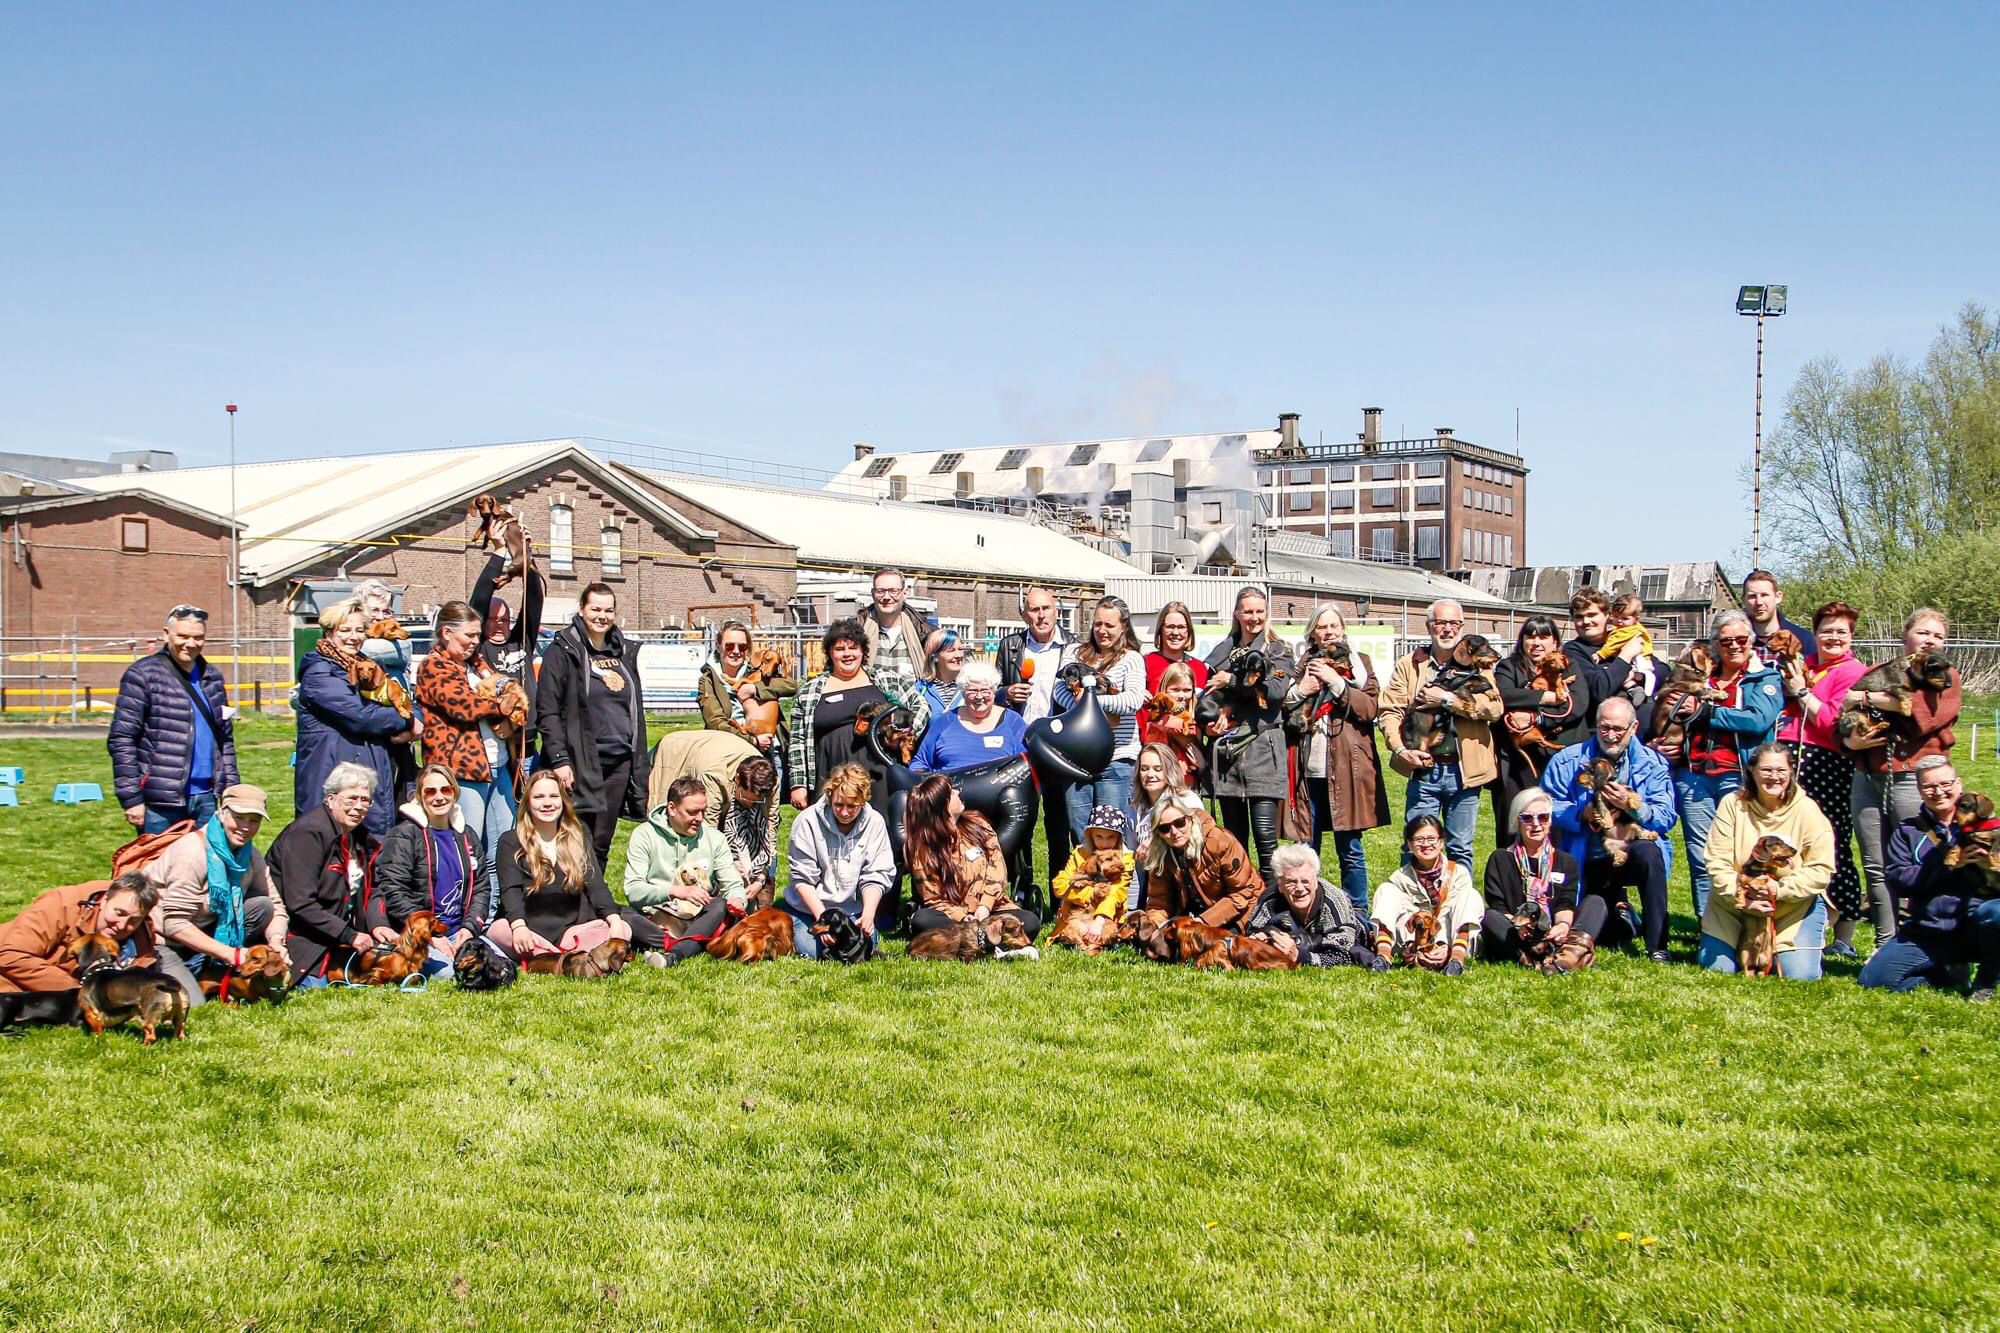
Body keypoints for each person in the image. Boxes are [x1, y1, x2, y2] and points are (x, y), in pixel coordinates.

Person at [1656, 609, 1784, 922]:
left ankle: (1744, 920)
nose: (1734, 645)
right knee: (1701, 857)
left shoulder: (1764, 678)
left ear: (1751, 641)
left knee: (1741, 852)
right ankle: (1709, 925)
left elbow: (1757, 720)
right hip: (1694, 775)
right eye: (1726, 641)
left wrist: (1707, 714)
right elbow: (1668, 712)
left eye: (1741, 639)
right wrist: (1663, 741)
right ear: (1716, 644)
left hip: (1738, 776)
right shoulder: (1700, 678)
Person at [1850, 607, 1961, 942]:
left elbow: (1922, 716)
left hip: (1915, 777)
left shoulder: (1945, 675)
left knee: (1921, 859)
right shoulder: (1879, 671)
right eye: (1923, 632)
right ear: (1905, 635)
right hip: (1868, 776)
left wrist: (1865, 697)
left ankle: (1927, 939)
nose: (1930, 640)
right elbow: (1844, 712)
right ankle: (1885, 942)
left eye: (1938, 635)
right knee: (1876, 865)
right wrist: (1850, 741)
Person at [1540, 697, 1679, 961]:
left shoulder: (1653, 763)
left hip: (1631, 849)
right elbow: (1544, 804)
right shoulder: (1567, 760)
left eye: (1618, 729)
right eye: (1604, 727)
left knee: (1650, 853)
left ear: (1634, 728)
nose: (1611, 735)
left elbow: (1666, 816)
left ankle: (1658, 946)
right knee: (1605, 933)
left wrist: (1633, 807)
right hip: (1585, 855)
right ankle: (1623, 915)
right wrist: (1579, 814)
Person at [1775, 601, 1872, 958]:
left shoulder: (1853, 672)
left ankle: (1844, 933)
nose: (1833, 637)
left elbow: (1832, 722)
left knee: (1832, 842)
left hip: (1826, 762)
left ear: (1851, 636)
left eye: (1841, 632)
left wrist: (1802, 692)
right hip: (1789, 757)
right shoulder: (1807, 664)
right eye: (1826, 631)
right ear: (1814, 634)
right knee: (1792, 841)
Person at [535, 583, 653, 874]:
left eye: (608, 610)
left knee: (601, 841)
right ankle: (570, 895)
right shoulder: (562, 651)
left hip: (619, 761)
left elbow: (633, 707)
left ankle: (594, 897)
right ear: (581, 610)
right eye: (595, 609)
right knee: (576, 838)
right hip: (580, 760)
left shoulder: (623, 652)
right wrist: (560, 759)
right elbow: (548, 711)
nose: (602, 616)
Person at [1858, 758, 1999, 1000]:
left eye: (1945, 784)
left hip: (1975, 925)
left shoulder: (1989, 829)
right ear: (1919, 790)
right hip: (1928, 929)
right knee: (1874, 981)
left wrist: (1992, 865)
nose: (1939, 792)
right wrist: (1948, 866)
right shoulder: (1908, 831)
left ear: (1958, 783)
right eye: (1929, 786)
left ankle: (1985, 982)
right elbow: (1898, 881)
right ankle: (1944, 974)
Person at [1376, 598, 1500, 870]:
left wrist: (1447, 700)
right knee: (1415, 844)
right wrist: (1401, 750)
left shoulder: (1479, 665)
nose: (1447, 629)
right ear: (1428, 626)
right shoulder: (1410, 664)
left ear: (1462, 627)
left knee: (1460, 847)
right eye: (1441, 622)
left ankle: (1459, 899)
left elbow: (1494, 708)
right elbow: (1389, 710)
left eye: (1454, 623)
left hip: (1465, 771)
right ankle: (1413, 897)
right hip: (1424, 769)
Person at [416, 599, 523, 914]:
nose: (476, 641)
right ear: (447, 633)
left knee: (503, 845)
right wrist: (501, 707)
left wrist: (510, 715)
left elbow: (509, 690)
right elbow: (463, 705)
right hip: (461, 770)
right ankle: (463, 915)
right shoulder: (433, 666)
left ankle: (494, 914)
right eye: (470, 635)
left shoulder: (477, 664)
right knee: (469, 847)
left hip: (498, 765)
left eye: (478, 635)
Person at [143, 784, 290, 1005]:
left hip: (206, 931)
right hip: (165, 941)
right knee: (192, 1003)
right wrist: (230, 954)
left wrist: (277, 941)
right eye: (239, 818)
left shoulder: (249, 855)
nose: (245, 827)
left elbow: (275, 904)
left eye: (254, 820)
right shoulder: (191, 853)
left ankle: (209, 966)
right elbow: (174, 924)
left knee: (262, 905)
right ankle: (197, 969)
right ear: (221, 814)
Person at [1698, 742, 1834, 980]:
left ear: (1791, 771)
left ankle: (1782, 950)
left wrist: (1779, 890)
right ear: (1752, 771)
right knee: (1719, 970)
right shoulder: (1732, 804)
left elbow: (1821, 869)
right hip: (1734, 908)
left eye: (1781, 770)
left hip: (1792, 909)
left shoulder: (1807, 810)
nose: (1774, 777)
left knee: (1800, 976)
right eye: (1766, 770)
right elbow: (1716, 862)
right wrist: (1743, 898)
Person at [1284, 604, 1388, 915]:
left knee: (1350, 848)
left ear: (1343, 629)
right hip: (1307, 771)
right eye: (1322, 626)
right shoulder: (1302, 665)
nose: (1328, 632)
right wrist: (1301, 689)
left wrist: (1336, 682)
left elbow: (1369, 709)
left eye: (1333, 626)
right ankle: (1308, 911)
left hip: (1346, 770)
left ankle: (1357, 915)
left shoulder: (1360, 663)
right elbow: (1283, 707)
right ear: (1312, 633)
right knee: (1306, 849)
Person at [108, 604, 240, 834]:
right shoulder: (143, 675)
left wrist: (231, 787)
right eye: (183, 636)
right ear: (166, 634)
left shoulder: (212, 677)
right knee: (159, 858)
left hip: (207, 798)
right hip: (160, 801)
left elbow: (224, 739)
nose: (191, 644)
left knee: (206, 857)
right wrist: (131, 797)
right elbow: (122, 739)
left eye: (198, 637)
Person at [1198, 586, 1298, 887]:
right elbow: (1208, 693)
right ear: (1237, 614)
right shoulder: (1222, 651)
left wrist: (1231, 680)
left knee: (1266, 839)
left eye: (1259, 611)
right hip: (1228, 756)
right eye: (1248, 611)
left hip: (1263, 752)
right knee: (1234, 843)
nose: (1254, 617)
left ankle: (1272, 902)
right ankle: (1242, 900)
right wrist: (1209, 723)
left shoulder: (1278, 650)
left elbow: (1275, 691)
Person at [786, 617, 931, 820]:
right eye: (840, 649)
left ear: (863, 651)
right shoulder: (810, 691)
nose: (847, 654)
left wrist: (903, 733)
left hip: (879, 775)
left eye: (853, 648)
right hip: (830, 774)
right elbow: (797, 741)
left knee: (881, 829)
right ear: (830, 653)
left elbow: (921, 706)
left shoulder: (885, 680)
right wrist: (798, 784)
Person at [295, 598, 413, 839]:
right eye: (345, 630)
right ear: (329, 632)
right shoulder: (319, 673)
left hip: (371, 774)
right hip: (333, 779)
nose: (353, 637)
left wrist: (413, 714)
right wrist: (408, 721)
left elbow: (403, 697)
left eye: (359, 630)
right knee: (330, 847)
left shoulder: (368, 666)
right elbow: (362, 716)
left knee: (373, 850)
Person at [494, 770, 631, 965]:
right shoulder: (510, 841)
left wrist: (615, 921)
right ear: (527, 803)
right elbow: (510, 891)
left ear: (563, 801)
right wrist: (518, 927)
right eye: (539, 797)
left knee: (624, 928)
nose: (547, 803)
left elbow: (596, 885)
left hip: (571, 930)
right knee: (499, 930)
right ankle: (566, 957)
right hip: (527, 929)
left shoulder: (577, 837)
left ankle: (552, 957)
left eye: (553, 796)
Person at [269, 761, 387, 987]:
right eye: (351, 799)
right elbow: (300, 903)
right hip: (302, 935)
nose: (359, 806)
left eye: (365, 800)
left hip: (339, 935)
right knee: (317, 986)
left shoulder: (359, 837)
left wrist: (378, 923)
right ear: (330, 799)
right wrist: (349, 935)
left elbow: (372, 890)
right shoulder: (308, 834)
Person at [1052, 596, 1148, 844]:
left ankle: (1112, 872)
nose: (1102, 631)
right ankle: (1084, 870)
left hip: (1116, 758)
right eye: (1098, 624)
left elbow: (1133, 700)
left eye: (1109, 625)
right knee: (1080, 832)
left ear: (1123, 627)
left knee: (1111, 832)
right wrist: (1095, 705)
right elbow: (1058, 690)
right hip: (1077, 759)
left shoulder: (1132, 659)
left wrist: (1089, 701)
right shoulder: (1074, 652)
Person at [374, 762, 485, 977]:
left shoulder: (467, 834)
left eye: (446, 790)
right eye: (430, 791)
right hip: (420, 937)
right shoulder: (404, 835)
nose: (439, 797)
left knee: (497, 967)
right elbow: (393, 891)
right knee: (453, 975)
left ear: (455, 792)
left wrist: (469, 928)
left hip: (457, 932)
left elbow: (481, 887)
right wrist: (430, 936)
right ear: (420, 796)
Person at [623, 774, 746, 964]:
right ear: (672, 808)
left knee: (720, 905)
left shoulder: (715, 838)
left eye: (703, 811)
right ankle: (687, 944)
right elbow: (633, 890)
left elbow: (732, 883)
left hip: (697, 917)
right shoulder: (644, 835)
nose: (700, 818)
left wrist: (737, 899)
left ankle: (674, 953)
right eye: (692, 812)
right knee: (619, 912)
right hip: (655, 918)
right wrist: (675, 891)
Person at [1492, 616, 1592, 847]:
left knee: (1559, 826)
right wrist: (1549, 697)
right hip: (1519, 761)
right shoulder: (1509, 667)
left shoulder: (1567, 664)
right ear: (1522, 640)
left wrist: (1536, 717)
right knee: (1516, 824)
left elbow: (1576, 705)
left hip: (1562, 757)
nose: (1536, 642)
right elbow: (1505, 695)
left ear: (1555, 642)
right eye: (1530, 636)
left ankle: (1558, 869)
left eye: (1544, 637)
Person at [995, 586, 1074, 879]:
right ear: (1024, 614)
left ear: (1057, 611)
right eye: (1034, 609)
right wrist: (1005, 693)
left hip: (1059, 745)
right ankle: (1023, 891)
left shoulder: (1073, 647)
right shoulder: (1011, 646)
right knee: (1020, 822)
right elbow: (993, 690)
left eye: (1046, 609)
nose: (1041, 615)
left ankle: (1059, 894)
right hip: (1021, 745)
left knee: (1059, 827)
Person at [904, 774, 1042, 939]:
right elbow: (934, 899)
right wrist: (962, 917)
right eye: (951, 793)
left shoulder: (978, 825)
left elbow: (997, 869)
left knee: (1030, 922)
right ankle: (982, 939)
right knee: (922, 920)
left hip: (991, 912)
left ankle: (970, 939)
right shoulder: (923, 849)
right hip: (953, 918)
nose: (958, 792)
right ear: (942, 806)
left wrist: (984, 906)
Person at [784, 763, 897, 959]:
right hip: (810, 910)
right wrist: (822, 919)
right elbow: (802, 879)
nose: (844, 812)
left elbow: (876, 874)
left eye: (852, 806)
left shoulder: (875, 822)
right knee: (815, 950)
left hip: (850, 912)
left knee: (860, 948)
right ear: (830, 796)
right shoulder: (807, 821)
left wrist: (868, 914)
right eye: (838, 805)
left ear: (863, 800)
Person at [1480, 788, 1598, 972]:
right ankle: (1531, 958)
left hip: (1554, 932)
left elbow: (1565, 903)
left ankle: (1565, 957)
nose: (1536, 824)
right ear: (1517, 822)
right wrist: (1521, 927)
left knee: (1596, 903)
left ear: (1550, 821)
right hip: (1518, 932)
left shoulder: (1566, 861)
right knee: (1488, 916)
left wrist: (1562, 926)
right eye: (1527, 818)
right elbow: (1498, 906)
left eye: (1543, 817)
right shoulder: (1500, 858)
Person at [0, 873, 160, 993]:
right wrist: (80, 992)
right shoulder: (61, 904)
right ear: (104, 900)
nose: (122, 925)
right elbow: (12, 956)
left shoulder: (143, 934)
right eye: (119, 913)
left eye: (134, 920)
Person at [1370, 814, 1481, 973]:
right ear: (1409, 844)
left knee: (1471, 895)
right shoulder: (1399, 878)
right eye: (1419, 839)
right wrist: (1413, 945)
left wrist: (1442, 945)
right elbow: (1403, 918)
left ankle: (1456, 960)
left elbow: (1459, 913)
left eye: (1431, 839)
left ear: (1441, 842)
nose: (1426, 844)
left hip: (1449, 937)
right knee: (1385, 889)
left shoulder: (1459, 874)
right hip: (1410, 939)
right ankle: (1383, 957)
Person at [1246, 844, 1382, 969]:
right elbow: (1251, 931)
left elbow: (1342, 956)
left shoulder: (1335, 901)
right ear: (1280, 885)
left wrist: (1300, 956)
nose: (1300, 888)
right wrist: (1262, 938)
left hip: (1350, 937)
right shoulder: (1269, 900)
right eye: (1291, 882)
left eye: (1305, 881)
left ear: (1316, 881)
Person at [1141, 790, 1262, 930]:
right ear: (1158, 833)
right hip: (1196, 916)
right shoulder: (1160, 855)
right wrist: (1154, 928)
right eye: (1165, 828)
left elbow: (1242, 893)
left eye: (1179, 823)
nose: (1174, 832)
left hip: (1241, 912)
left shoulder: (1220, 841)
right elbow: (1158, 903)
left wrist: (1203, 922)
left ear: (1190, 819)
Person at [697, 622, 798, 776]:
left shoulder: (759, 668)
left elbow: (791, 685)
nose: (736, 651)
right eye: (729, 646)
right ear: (718, 645)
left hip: (769, 751)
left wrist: (755, 689)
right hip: (731, 753)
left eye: (742, 647)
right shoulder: (708, 680)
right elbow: (716, 722)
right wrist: (753, 740)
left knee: (771, 791)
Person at [912, 660, 1027, 773]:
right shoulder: (946, 721)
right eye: (972, 691)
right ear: (963, 692)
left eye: (985, 690)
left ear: (994, 691)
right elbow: (920, 762)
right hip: (949, 785)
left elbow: (1026, 763)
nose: (979, 696)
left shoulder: (1013, 721)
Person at [1049, 804, 1134, 948]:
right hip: (1077, 915)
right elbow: (1060, 885)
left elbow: (1116, 893)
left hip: (1107, 916)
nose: (1104, 843)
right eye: (1099, 836)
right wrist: (1090, 893)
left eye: (1110, 837)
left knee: (1108, 931)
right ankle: (1083, 942)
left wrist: (1099, 921)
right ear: (1090, 835)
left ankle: (1095, 942)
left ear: (1119, 838)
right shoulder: (1080, 854)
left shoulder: (1125, 859)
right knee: (1073, 927)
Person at [1127, 741, 1191, 912]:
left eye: (1157, 769)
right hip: (1154, 888)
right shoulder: (1135, 810)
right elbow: (1133, 862)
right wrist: (1131, 909)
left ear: (1169, 771)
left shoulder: (1186, 800)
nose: (1150, 774)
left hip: (1188, 880)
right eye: (1144, 769)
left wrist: (1155, 841)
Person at [861, 568, 943, 677]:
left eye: (893, 591)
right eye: (880, 591)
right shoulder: (858, 631)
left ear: (905, 593)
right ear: (873, 594)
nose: (886, 597)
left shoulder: (926, 634)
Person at [1140, 661, 1205, 787]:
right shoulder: (1156, 715)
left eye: (1187, 690)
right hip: (1159, 780)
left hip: (1187, 780)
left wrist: (1202, 764)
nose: (1181, 696)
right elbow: (1171, 726)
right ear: (1164, 689)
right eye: (1175, 690)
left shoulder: (1196, 715)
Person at [1741, 569, 1819, 660]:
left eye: (1764, 595)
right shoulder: (1734, 641)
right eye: (1752, 596)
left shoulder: (1805, 640)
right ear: (1743, 600)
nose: (1759, 602)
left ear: (1778, 597)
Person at [1144, 600, 1210, 693]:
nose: (1175, 632)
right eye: (1170, 627)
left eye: (1181, 627)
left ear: (1189, 631)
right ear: (1160, 629)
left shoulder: (1200, 668)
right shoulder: (1145, 664)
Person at [917, 631, 969, 716]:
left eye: (960, 649)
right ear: (935, 656)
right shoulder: (920, 690)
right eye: (951, 650)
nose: (958, 655)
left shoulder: (970, 687)